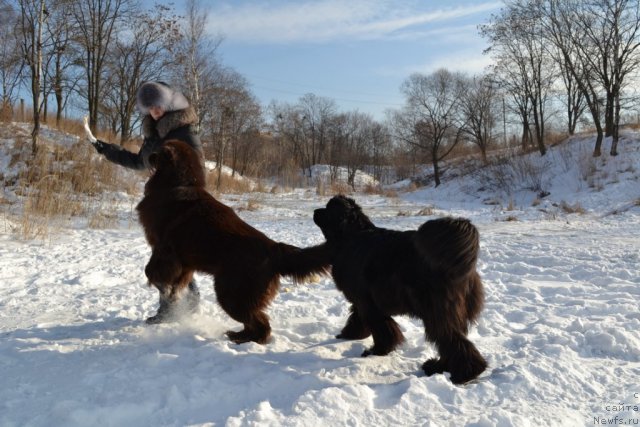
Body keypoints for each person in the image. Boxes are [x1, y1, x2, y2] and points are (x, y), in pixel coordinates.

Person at [85, 81, 202, 324]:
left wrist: (173, 184)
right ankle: (186, 304)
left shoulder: (184, 132)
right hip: (160, 207)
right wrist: (104, 149)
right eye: (150, 107)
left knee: (165, 259)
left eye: (158, 105)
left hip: (182, 206)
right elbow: (140, 163)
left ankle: (175, 308)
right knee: (171, 257)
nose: (155, 111)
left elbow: (197, 171)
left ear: (168, 103)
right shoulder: (153, 133)